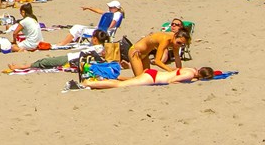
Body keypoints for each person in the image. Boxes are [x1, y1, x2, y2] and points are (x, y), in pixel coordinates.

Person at [8, 30, 110, 71]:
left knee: (45, 62)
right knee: (46, 61)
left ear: (95, 39)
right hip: (73, 58)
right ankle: (22, 66)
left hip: (71, 59)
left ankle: (20, 67)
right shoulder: (101, 48)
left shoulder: (98, 49)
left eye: (92, 37)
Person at [84, 66, 215, 89]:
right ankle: (88, 83)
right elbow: (172, 81)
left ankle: (97, 81)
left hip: (153, 74)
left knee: (126, 81)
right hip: (152, 79)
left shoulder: (191, 69)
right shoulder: (190, 74)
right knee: (120, 85)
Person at [57, 0, 124, 46]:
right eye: (109, 7)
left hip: (100, 32)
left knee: (76, 27)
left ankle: (63, 43)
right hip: (101, 31)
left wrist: (106, 30)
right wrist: (89, 8)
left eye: (111, 7)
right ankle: (67, 42)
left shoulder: (116, 14)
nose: (109, 8)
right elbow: (99, 11)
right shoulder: (113, 13)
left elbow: (112, 24)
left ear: (116, 8)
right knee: (77, 28)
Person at [127, 30, 191, 76]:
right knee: (140, 78)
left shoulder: (175, 42)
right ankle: (119, 78)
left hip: (145, 54)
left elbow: (177, 58)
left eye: (182, 45)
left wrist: (179, 71)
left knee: (146, 76)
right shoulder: (166, 40)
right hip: (135, 52)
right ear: (175, 36)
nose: (179, 46)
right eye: (179, 43)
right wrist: (171, 71)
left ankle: (120, 79)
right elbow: (157, 61)